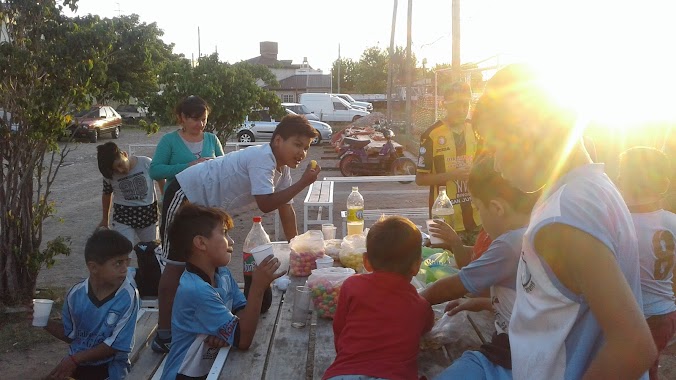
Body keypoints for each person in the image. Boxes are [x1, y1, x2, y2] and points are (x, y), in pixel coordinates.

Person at [473, 64, 656, 379]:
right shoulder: (590, 188)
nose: (498, 164)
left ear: (529, 134)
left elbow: (633, 346)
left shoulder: (566, 216)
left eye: (498, 147)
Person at [152, 113, 319, 353]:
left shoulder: (281, 169)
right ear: (278, 140)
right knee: (176, 264)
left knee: (210, 261)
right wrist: (304, 183)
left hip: (209, 208)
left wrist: (296, 247)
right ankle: (164, 334)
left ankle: (215, 321)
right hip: (186, 192)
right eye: (297, 144)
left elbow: (286, 206)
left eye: (306, 148)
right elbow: (266, 203)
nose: (302, 153)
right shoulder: (263, 158)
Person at [421, 153, 535, 378]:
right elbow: (525, 302)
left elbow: (454, 285)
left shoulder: (509, 244)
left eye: (478, 208)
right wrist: (482, 303)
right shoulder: (533, 232)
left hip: (514, 354)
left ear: (497, 208)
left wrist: (411, 299)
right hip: (523, 344)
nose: (480, 216)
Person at [160, 204, 282, 380]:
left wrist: (229, 331)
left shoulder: (221, 273)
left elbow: (241, 308)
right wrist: (258, 286)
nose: (231, 241)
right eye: (224, 233)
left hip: (208, 369)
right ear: (201, 243)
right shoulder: (196, 290)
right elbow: (243, 340)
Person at [322, 216, 435, 380]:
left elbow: (339, 331)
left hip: (343, 374)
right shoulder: (420, 306)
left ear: (366, 261)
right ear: (417, 265)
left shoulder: (351, 286)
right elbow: (426, 327)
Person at [40, 229, 139, 380]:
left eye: (127, 261)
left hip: (110, 368)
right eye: (118, 263)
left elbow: (115, 346)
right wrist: (43, 321)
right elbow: (71, 335)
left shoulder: (128, 296)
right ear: (93, 268)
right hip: (79, 363)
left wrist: (74, 360)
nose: (125, 269)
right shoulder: (75, 295)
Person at [617, 146, 676, 380]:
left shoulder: (620, 224)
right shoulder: (672, 221)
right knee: (647, 367)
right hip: (667, 314)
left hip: (637, 316)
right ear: (664, 185)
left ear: (622, 183)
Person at [416, 81, 481, 244]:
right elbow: (420, 179)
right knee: (444, 267)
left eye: (465, 104)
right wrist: (452, 175)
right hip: (443, 221)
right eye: (456, 105)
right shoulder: (431, 135)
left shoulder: (476, 129)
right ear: (445, 104)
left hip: (477, 218)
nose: (461, 110)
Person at [149, 95, 224, 193]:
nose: (201, 124)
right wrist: (188, 166)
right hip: (179, 202)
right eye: (196, 119)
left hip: (208, 202)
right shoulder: (169, 140)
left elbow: (224, 169)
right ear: (183, 117)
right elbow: (155, 171)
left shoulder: (212, 139)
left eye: (203, 119)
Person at [97, 142, 162, 245]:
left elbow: (161, 179)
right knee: (124, 251)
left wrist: (165, 200)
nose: (121, 170)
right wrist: (105, 219)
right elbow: (106, 194)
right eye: (116, 169)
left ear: (124, 154)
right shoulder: (110, 175)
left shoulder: (145, 163)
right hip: (123, 217)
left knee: (153, 250)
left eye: (120, 165)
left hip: (149, 215)